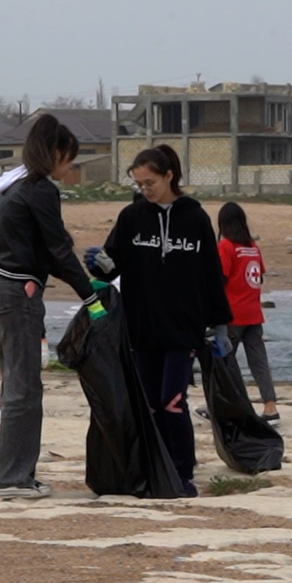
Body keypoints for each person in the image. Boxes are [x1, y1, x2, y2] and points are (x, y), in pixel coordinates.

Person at [86, 144, 232, 497]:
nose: (145, 190)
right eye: (139, 184)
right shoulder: (132, 217)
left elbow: (211, 274)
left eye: (150, 182)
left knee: (172, 401)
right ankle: (154, 470)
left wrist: (219, 327)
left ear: (169, 176)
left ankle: (182, 473)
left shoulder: (195, 219)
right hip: (142, 328)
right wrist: (99, 265)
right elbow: (111, 265)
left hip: (183, 329)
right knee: (149, 405)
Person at [0, 114, 99, 499]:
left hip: (2, 288)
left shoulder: (13, 185)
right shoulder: (39, 190)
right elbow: (59, 252)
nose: (69, 169)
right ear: (55, 153)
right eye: (68, 160)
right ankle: (13, 478)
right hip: (19, 295)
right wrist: (92, 298)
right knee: (23, 388)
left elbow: (48, 247)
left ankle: (16, 473)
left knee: (20, 383)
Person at [216, 202, 278, 423]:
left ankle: (225, 406)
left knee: (223, 363)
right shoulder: (252, 247)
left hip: (233, 315)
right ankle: (270, 407)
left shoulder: (226, 247)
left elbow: (220, 279)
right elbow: (258, 277)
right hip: (253, 313)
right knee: (259, 361)